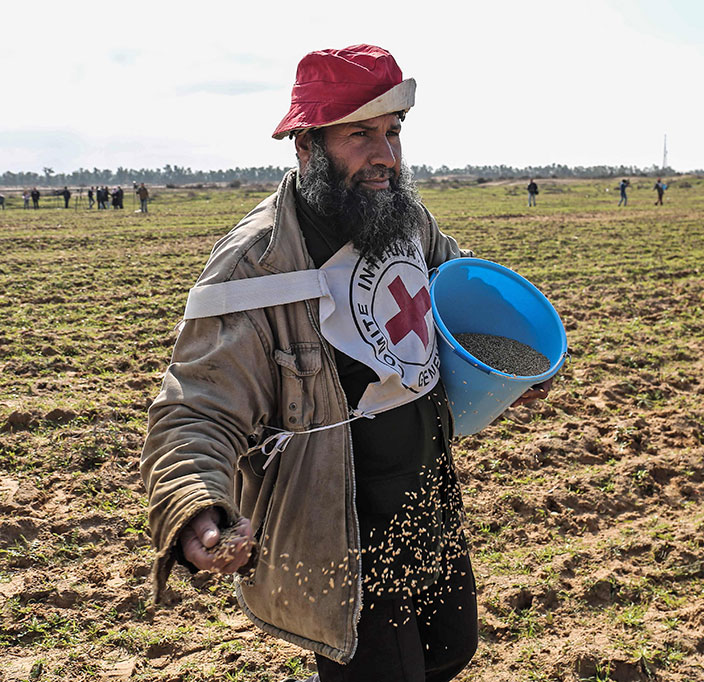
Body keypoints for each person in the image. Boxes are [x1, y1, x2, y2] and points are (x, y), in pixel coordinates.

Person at [140, 45, 554, 682]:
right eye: (361, 134)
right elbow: (196, 404)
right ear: (306, 147)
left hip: (426, 494)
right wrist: (194, 502)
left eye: (392, 132)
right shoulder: (255, 265)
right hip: (337, 526)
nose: (386, 153)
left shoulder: (404, 218)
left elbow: (453, 286)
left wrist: (514, 357)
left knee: (450, 650)